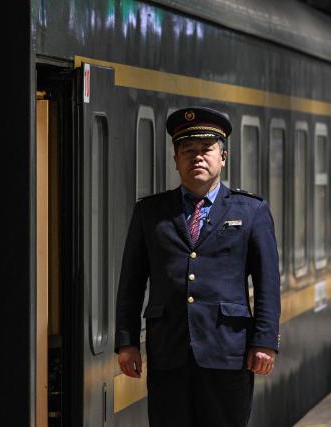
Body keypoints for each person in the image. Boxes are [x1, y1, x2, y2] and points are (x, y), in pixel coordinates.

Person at [114, 107, 281, 427]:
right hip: (168, 353)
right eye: (188, 151)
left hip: (228, 353)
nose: (197, 157)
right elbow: (131, 281)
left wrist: (264, 341)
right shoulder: (150, 212)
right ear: (175, 159)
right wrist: (127, 341)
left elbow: (267, 282)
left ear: (223, 157)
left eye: (207, 150)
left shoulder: (252, 211)